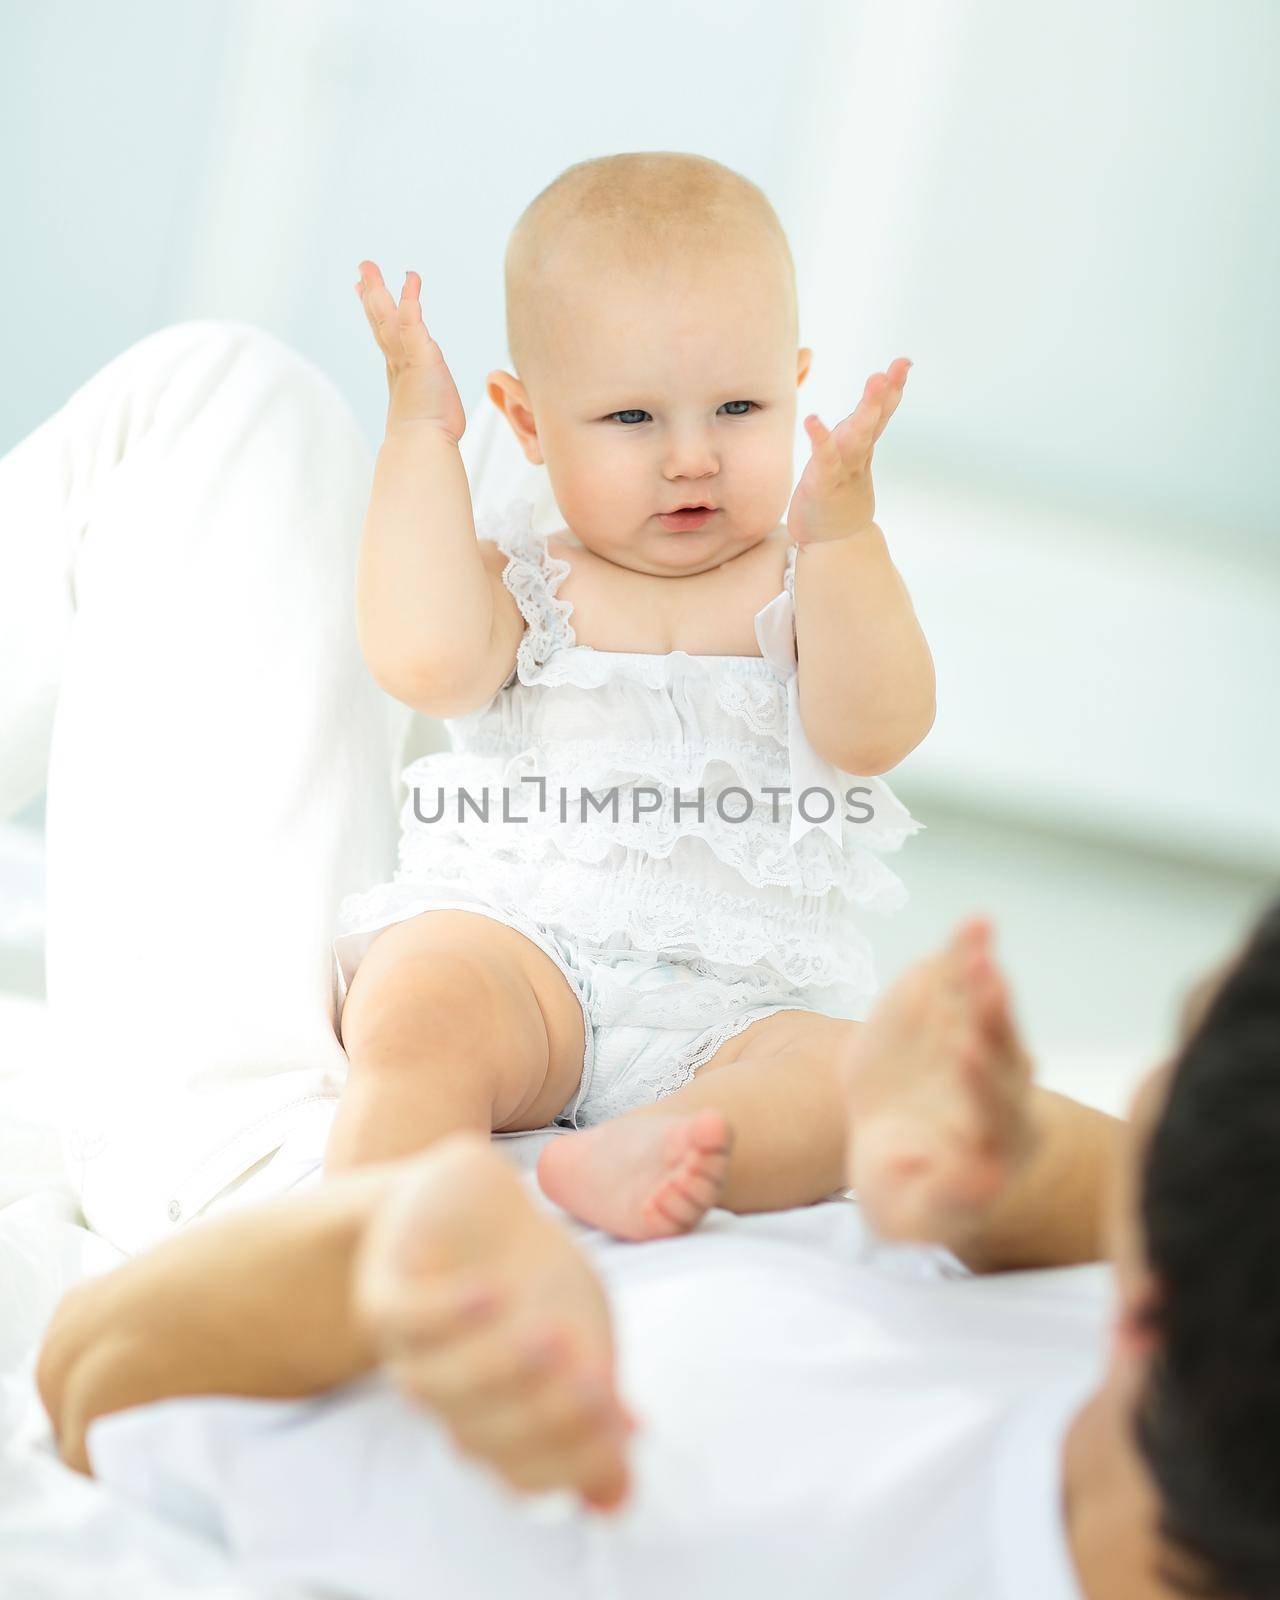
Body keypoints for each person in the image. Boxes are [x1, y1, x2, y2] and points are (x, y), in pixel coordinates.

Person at [42, 899, 1280, 1599]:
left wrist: (399, 1232)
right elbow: (1105, 1181)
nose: (1156, 1069)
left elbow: (92, 1385)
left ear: (1148, 1315)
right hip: (525, 1101)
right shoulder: (1215, 1378)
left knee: (210, 435)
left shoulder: (670, 1521)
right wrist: (1015, 1175)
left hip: (269, 1168)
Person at [326, 150, 937, 1243]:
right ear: (526, 423)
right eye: (630, 420)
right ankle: (376, 1207)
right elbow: (424, 661)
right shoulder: (526, 574)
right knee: (420, 1008)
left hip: (742, 1002)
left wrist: (845, 537)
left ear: (795, 386)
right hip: (524, 945)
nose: (692, 457)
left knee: (866, 1079)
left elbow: (875, 730)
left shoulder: (805, 580)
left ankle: (645, 1149)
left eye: (739, 406)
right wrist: (421, 434)